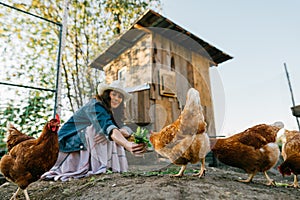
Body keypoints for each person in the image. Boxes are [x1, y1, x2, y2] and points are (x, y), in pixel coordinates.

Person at [42, 80, 146, 181]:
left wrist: (123, 130)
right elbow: (108, 127)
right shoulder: (95, 105)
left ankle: (111, 166)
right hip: (65, 142)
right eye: (114, 94)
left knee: (112, 132)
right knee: (100, 131)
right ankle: (98, 166)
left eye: (120, 97)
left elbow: (120, 127)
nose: (116, 99)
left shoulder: (112, 111)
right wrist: (127, 144)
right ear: (107, 94)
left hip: (82, 141)